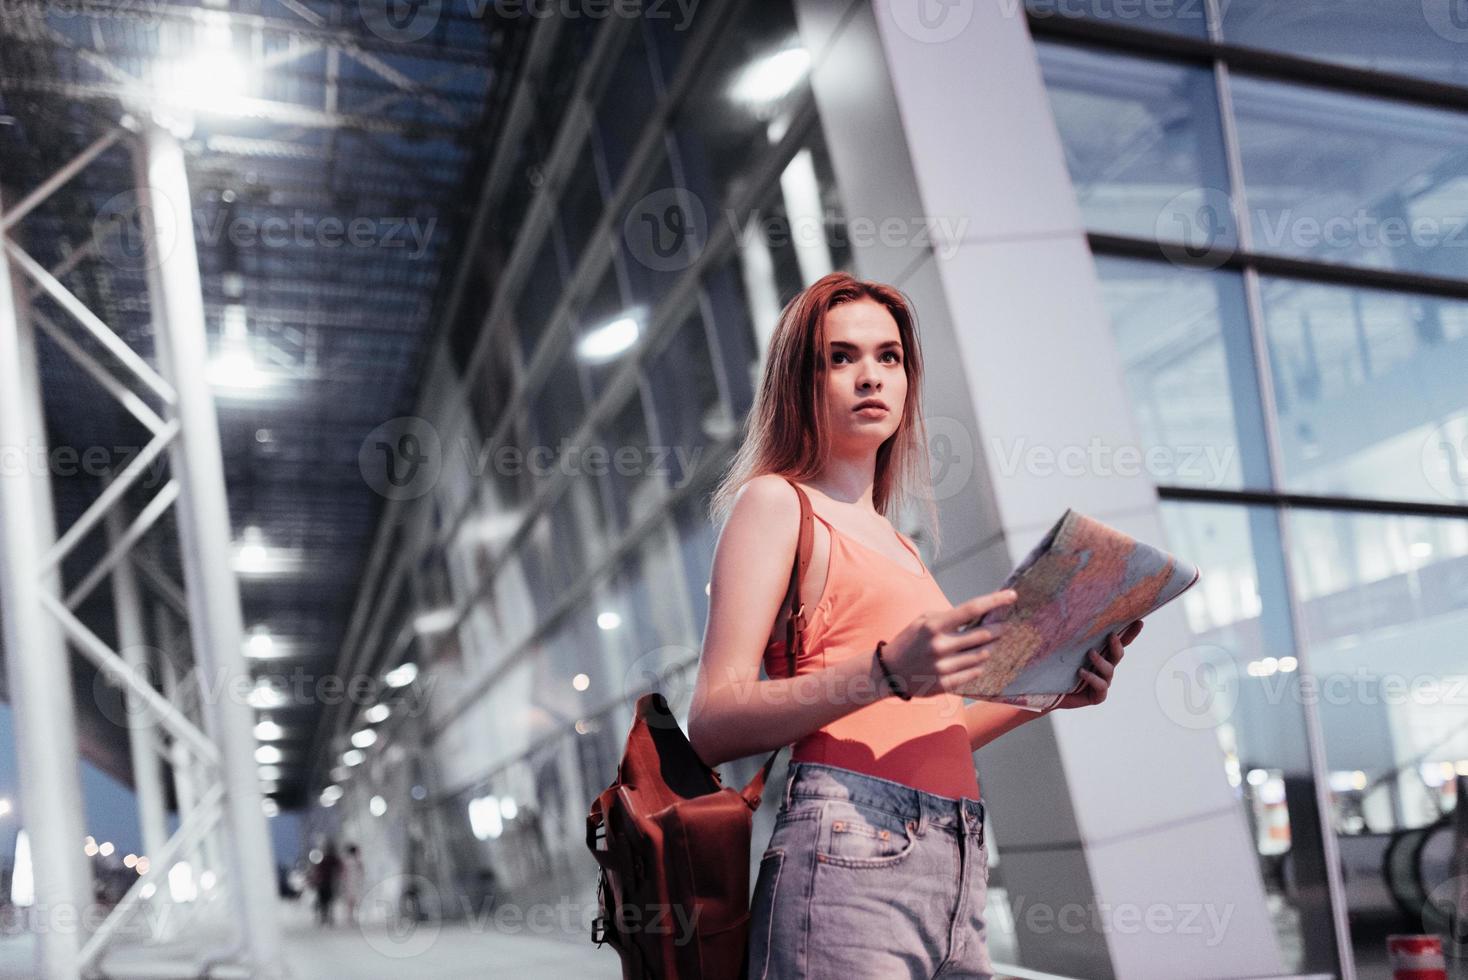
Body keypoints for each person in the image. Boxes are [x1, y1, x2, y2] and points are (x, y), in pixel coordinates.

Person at [688, 271, 1144, 979]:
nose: (870, 375)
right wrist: (885, 672)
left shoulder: (898, 542)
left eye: (889, 356)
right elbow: (711, 721)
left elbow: (929, 730)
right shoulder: (776, 504)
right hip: (852, 847)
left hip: (955, 853)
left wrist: (1049, 691)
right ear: (797, 382)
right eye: (840, 357)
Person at [310, 841, 342, 926]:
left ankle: (324, 918)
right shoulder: (334, 859)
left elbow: (317, 871)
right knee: (328, 901)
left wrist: (316, 881)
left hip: (323, 883)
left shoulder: (323, 859)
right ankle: (328, 918)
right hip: (329, 883)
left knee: (323, 902)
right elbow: (339, 869)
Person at [340, 843, 365, 924]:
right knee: (354, 901)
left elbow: (343, 874)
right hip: (354, 883)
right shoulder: (357, 862)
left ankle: (350, 917)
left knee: (350, 901)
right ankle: (353, 916)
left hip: (349, 883)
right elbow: (361, 873)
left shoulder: (346, 861)